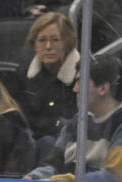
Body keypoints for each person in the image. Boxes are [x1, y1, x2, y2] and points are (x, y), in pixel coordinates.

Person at [25, 56, 122, 182]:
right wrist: (33, 177)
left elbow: (116, 178)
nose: (74, 89)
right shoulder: (77, 122)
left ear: (102, 88)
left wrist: (64, 181)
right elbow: (52, 165)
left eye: (80, 82)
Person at [19, 12, 79, 146]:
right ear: (34, 44)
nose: (48, 46)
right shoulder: (23, 72)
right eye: (41, 40)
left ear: (67, 43)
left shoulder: (82, 75)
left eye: (55, 40)